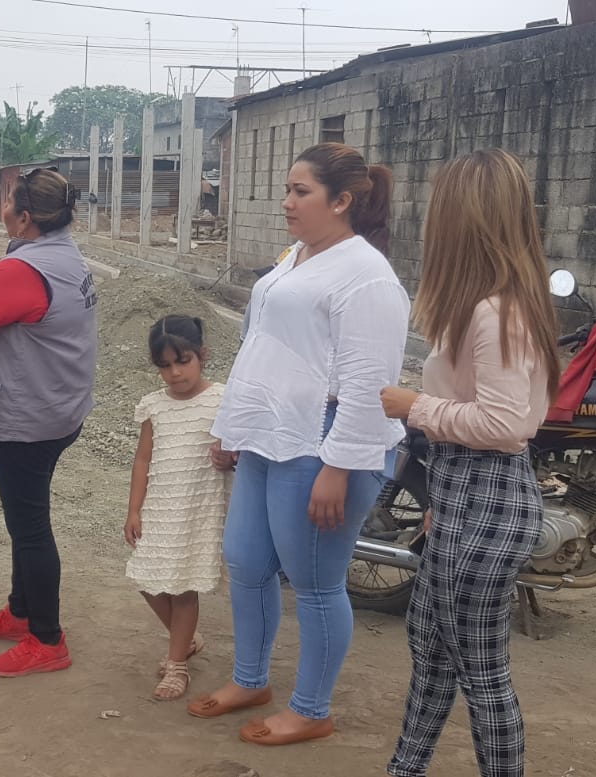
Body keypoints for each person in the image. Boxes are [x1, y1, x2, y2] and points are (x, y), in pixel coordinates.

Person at [188, 143, 409, 746]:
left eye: (301, 191)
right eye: (288, 189)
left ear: (341, 201)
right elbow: (260, 346)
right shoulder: (295, 257)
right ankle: (250, 679)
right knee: (246, 561)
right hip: (270, 432)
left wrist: (339, 466)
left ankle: (312, 708)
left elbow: (369, 382)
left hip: (322, 440)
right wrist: (233, 426)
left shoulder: (366, 275)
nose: (287, 202)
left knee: (315, 582)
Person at [379, 149, 560, 777]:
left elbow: (504, 425)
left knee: (481, 672)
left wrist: (415, 406)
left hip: (488, 499)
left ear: (465, 220)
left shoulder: (496, 311)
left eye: (442, 209)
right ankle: (405, 768)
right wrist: (441, 504)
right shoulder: (494, 305)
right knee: (430, 647)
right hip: (466, 497)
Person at [0, 167, 98, 678]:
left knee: (30, 528)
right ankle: (21, 610)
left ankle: (47, 638)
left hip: (25, 419)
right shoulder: (67, 256)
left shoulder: (24, 269)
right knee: (23, 520)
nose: (3, 207)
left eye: (8, 201)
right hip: (58, 407)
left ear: (25, 217)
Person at [124, 315, 229, 701]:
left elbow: (239, 450)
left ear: (203, 355)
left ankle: (177, 665)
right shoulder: (154, 406)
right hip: (160, 507)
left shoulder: (223, 400)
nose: (174, 373)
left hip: (199, 509)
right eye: (165, 365)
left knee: (183, 587)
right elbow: (142, 460)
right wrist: (134, 510)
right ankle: (187, 640)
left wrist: (230, 457)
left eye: (183, 361)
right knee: (146, 579)